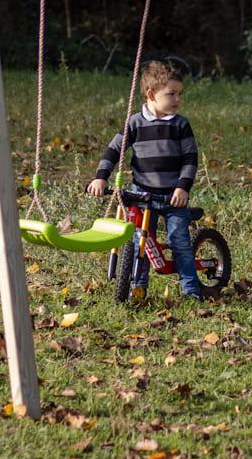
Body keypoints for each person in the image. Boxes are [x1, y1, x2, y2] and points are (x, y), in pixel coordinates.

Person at [86, 60, 207, 301]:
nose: (177, 99)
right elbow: (113, 150)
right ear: (151, 94)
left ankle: (191, 289)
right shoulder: (134, 123)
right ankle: (138, 287)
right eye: (171, 94)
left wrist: (183, 187)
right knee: (139, 241)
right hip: (142, 194)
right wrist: (101, 178)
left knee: (178, 241)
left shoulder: (180, 125)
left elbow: (190, 159)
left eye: (179, 94)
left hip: (174, 195)